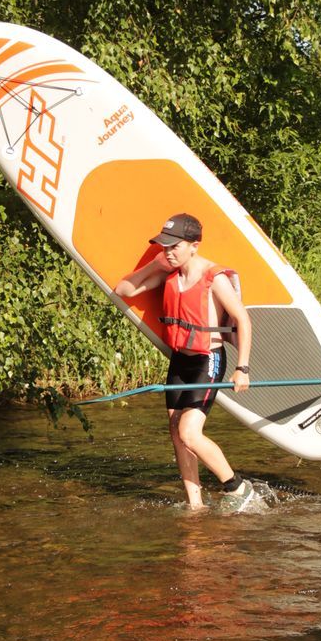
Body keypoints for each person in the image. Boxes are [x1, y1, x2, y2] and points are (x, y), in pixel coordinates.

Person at [115, 212, 255, 512]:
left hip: (208, 361)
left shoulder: (214, 278)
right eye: (164, 246)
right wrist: (155, 263)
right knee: (176, 432)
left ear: (194, 245)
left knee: (189, 432)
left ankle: (237, 487)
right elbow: (123, 290)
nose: (168, 252)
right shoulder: (168, 274)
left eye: (174, 246)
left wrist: (242, 368)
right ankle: (195, 505)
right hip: (180, 361)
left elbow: (243, 319)